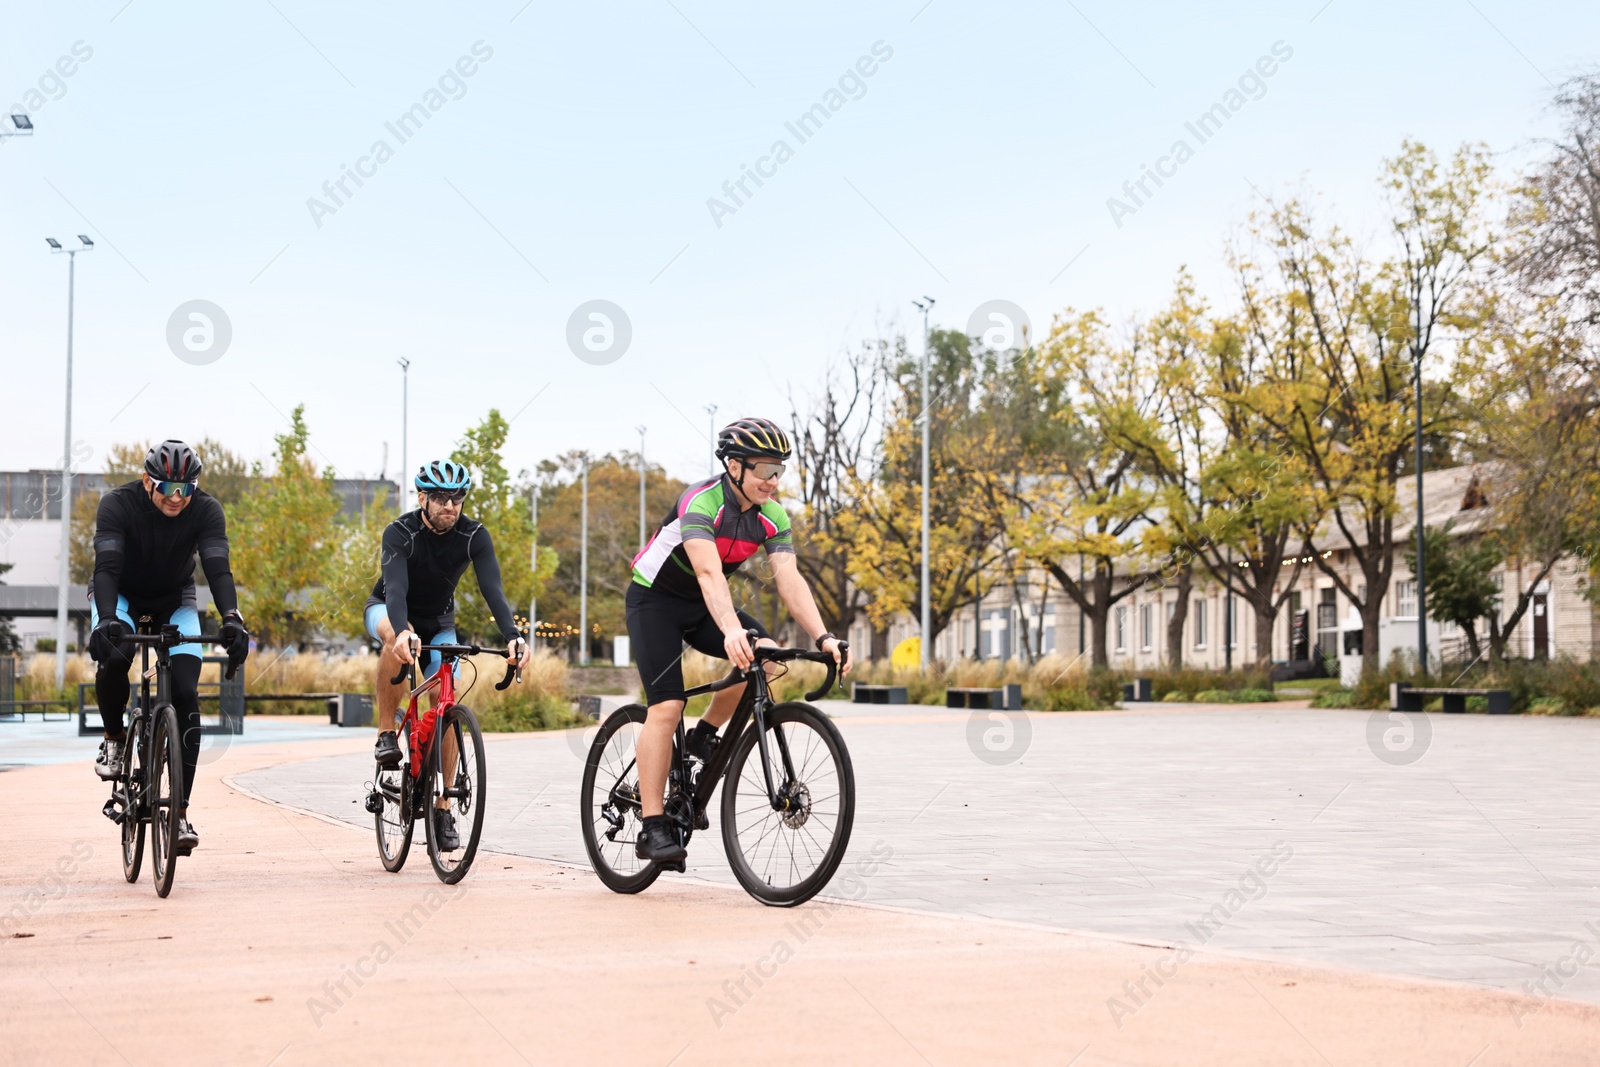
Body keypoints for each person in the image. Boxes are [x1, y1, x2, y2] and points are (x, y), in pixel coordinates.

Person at [627, 417, 850, 863]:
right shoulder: (701, 502)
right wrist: (731, 629)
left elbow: (789, 578)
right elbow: (710, 574)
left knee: (766, 659)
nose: (773, 481)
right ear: (734, 467)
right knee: (667, 707)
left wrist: (823, 635)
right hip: (655, 601)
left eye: (779, 471)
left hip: (705, 603)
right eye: (764, 470)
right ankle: (652, 826)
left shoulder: (773, 516)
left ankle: (704, 735)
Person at [89, 440, 250, 856]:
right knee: (117, 654)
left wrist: (232, 617)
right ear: (147, 481)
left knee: (184, 693)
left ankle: (178, 814)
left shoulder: (207, 510)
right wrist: (107, 619)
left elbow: (217, 568)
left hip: (174, 600)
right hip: (120, 596)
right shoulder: (117, 504)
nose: (177, 498)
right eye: (167, 488)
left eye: (187, 489)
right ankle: (113, 735)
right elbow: (106, 568)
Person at [366, 459, 529, 850]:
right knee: (395, 638)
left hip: (440, 622)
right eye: (439, 498)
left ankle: (442, 806)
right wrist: (404, 631)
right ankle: (387, 732)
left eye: (456, 498)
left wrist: (512, 636)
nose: (449, 506)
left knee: (446, 699)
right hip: (390, 609)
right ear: (422, 497)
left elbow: (494, 590)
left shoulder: (474, 536)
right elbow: (396, 591)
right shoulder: (399, 532)